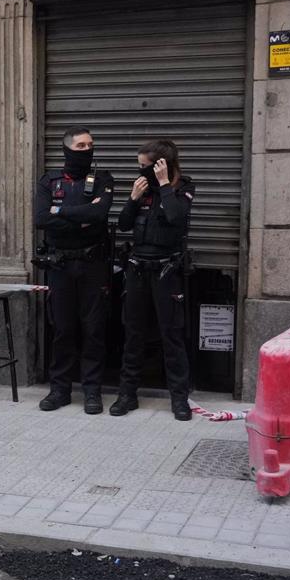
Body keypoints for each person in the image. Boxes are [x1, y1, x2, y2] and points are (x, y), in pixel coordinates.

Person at [110, 140, 196, 421]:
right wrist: (133, 199)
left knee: (171, 334)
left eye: (145, 166)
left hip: (166, 271)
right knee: (133, 333)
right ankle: (127, 394)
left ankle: (179, 398)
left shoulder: (183, 188)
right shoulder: (141, 188)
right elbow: (123, 225)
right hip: (137, 270)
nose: (140, 171)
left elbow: (175, 218)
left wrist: (164, 185)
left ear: (162, 164)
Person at [33, 126, 115, 414]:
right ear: (67, 149)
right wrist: (80, 216)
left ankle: (92, 392)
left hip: (93, 265)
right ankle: (60, 390)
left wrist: (61, 211)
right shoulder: (49, 181)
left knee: (94, 329)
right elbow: (41, 218)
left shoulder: (103, 179)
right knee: (63, 329)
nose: (87, 150)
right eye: (81, 146)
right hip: (61, 266)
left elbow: (99, 214)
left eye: (90, 145)